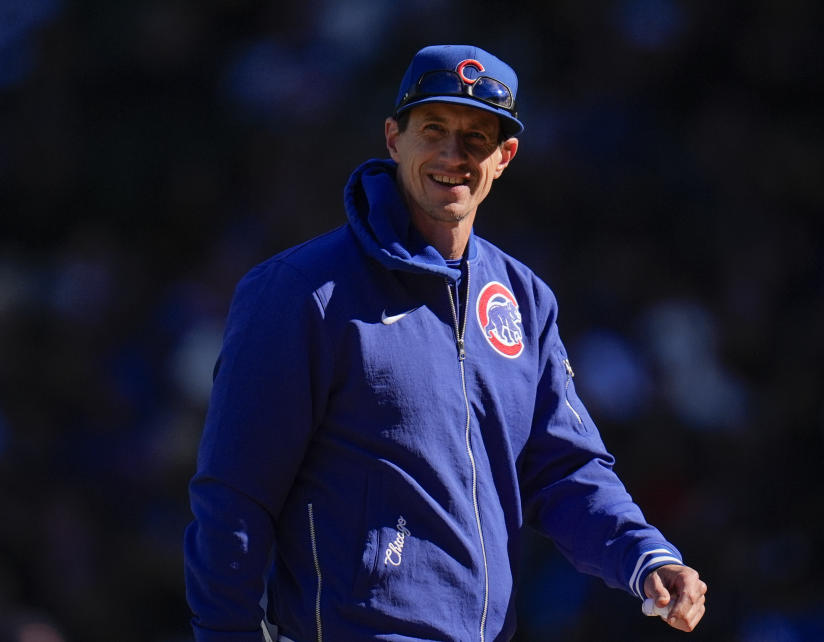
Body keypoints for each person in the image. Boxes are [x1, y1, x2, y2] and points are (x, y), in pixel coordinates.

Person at [184, 44, 707, 642]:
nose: (452, 155)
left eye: (476, 138)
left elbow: (564, 470)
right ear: (393, 138)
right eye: (433, 129)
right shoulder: (303, 291)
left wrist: (645, 556)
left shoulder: (524, 301)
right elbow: (234, 494)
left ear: (504, 157)